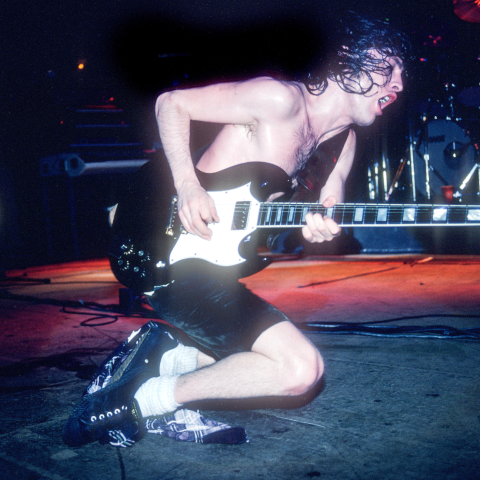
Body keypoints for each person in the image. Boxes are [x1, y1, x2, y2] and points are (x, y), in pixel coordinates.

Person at [63, 14, 411, 447]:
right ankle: (141, 400)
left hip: (221, 264)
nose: (398, 84)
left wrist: (322, 227)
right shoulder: (278, 99)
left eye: (402, 74)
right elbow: (171, 104)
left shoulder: (344, 141)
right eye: (389, 68)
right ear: (350, 62)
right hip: (173, 253)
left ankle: (168, 356)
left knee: (249, 359)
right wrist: (188, 186)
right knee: (300, 370)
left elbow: (327, 210)